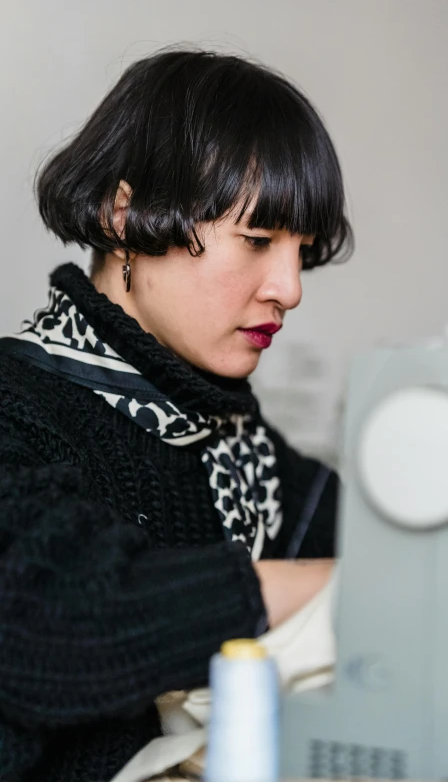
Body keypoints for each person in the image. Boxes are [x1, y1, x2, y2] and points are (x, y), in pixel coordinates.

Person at [0, 47, 354, 782]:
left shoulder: (248, 454)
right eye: (258, 241)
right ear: (124, 215)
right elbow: (44, 619)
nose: (289, 288)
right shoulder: (18, 405)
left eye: (303, 251)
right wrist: (340, 588)